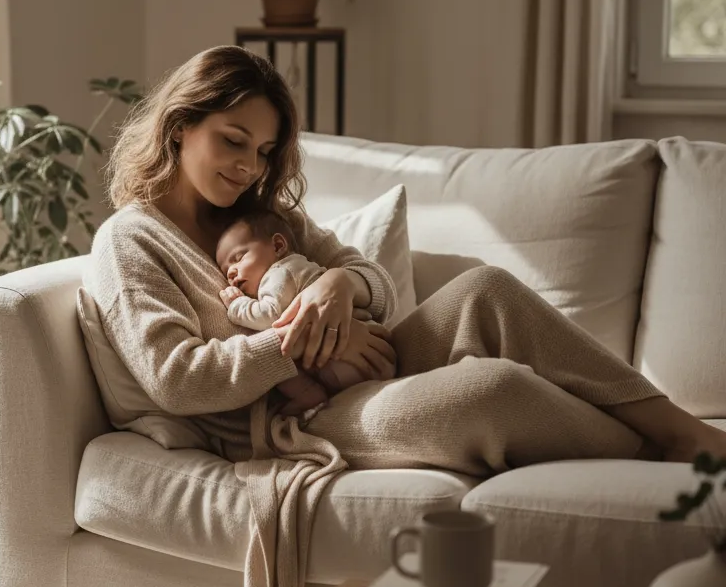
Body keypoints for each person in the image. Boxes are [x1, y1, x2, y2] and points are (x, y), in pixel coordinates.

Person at [85, 43, 726, 480]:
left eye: (264, 151)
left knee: (487, 289)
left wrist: (340, 283)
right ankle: (649, 455)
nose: (250, 166)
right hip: (292, 419)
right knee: (489, 390)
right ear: (179, 126)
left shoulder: (265, 216)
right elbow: (177, 379)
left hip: (367, 364)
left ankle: (684, 431)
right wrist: (299, 339)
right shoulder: (129, 241)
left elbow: (378, 286)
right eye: (234, 141)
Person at [215, 210, 373, 417]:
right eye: (225, 270)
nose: (231, 272)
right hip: (366, 350)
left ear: (278, 246)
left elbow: (270, 316)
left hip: (347, 353)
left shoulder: (279, 272)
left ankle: (309, 394)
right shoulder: (297, 267)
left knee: (275, 348)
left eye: (238, 258)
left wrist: (238, 305)